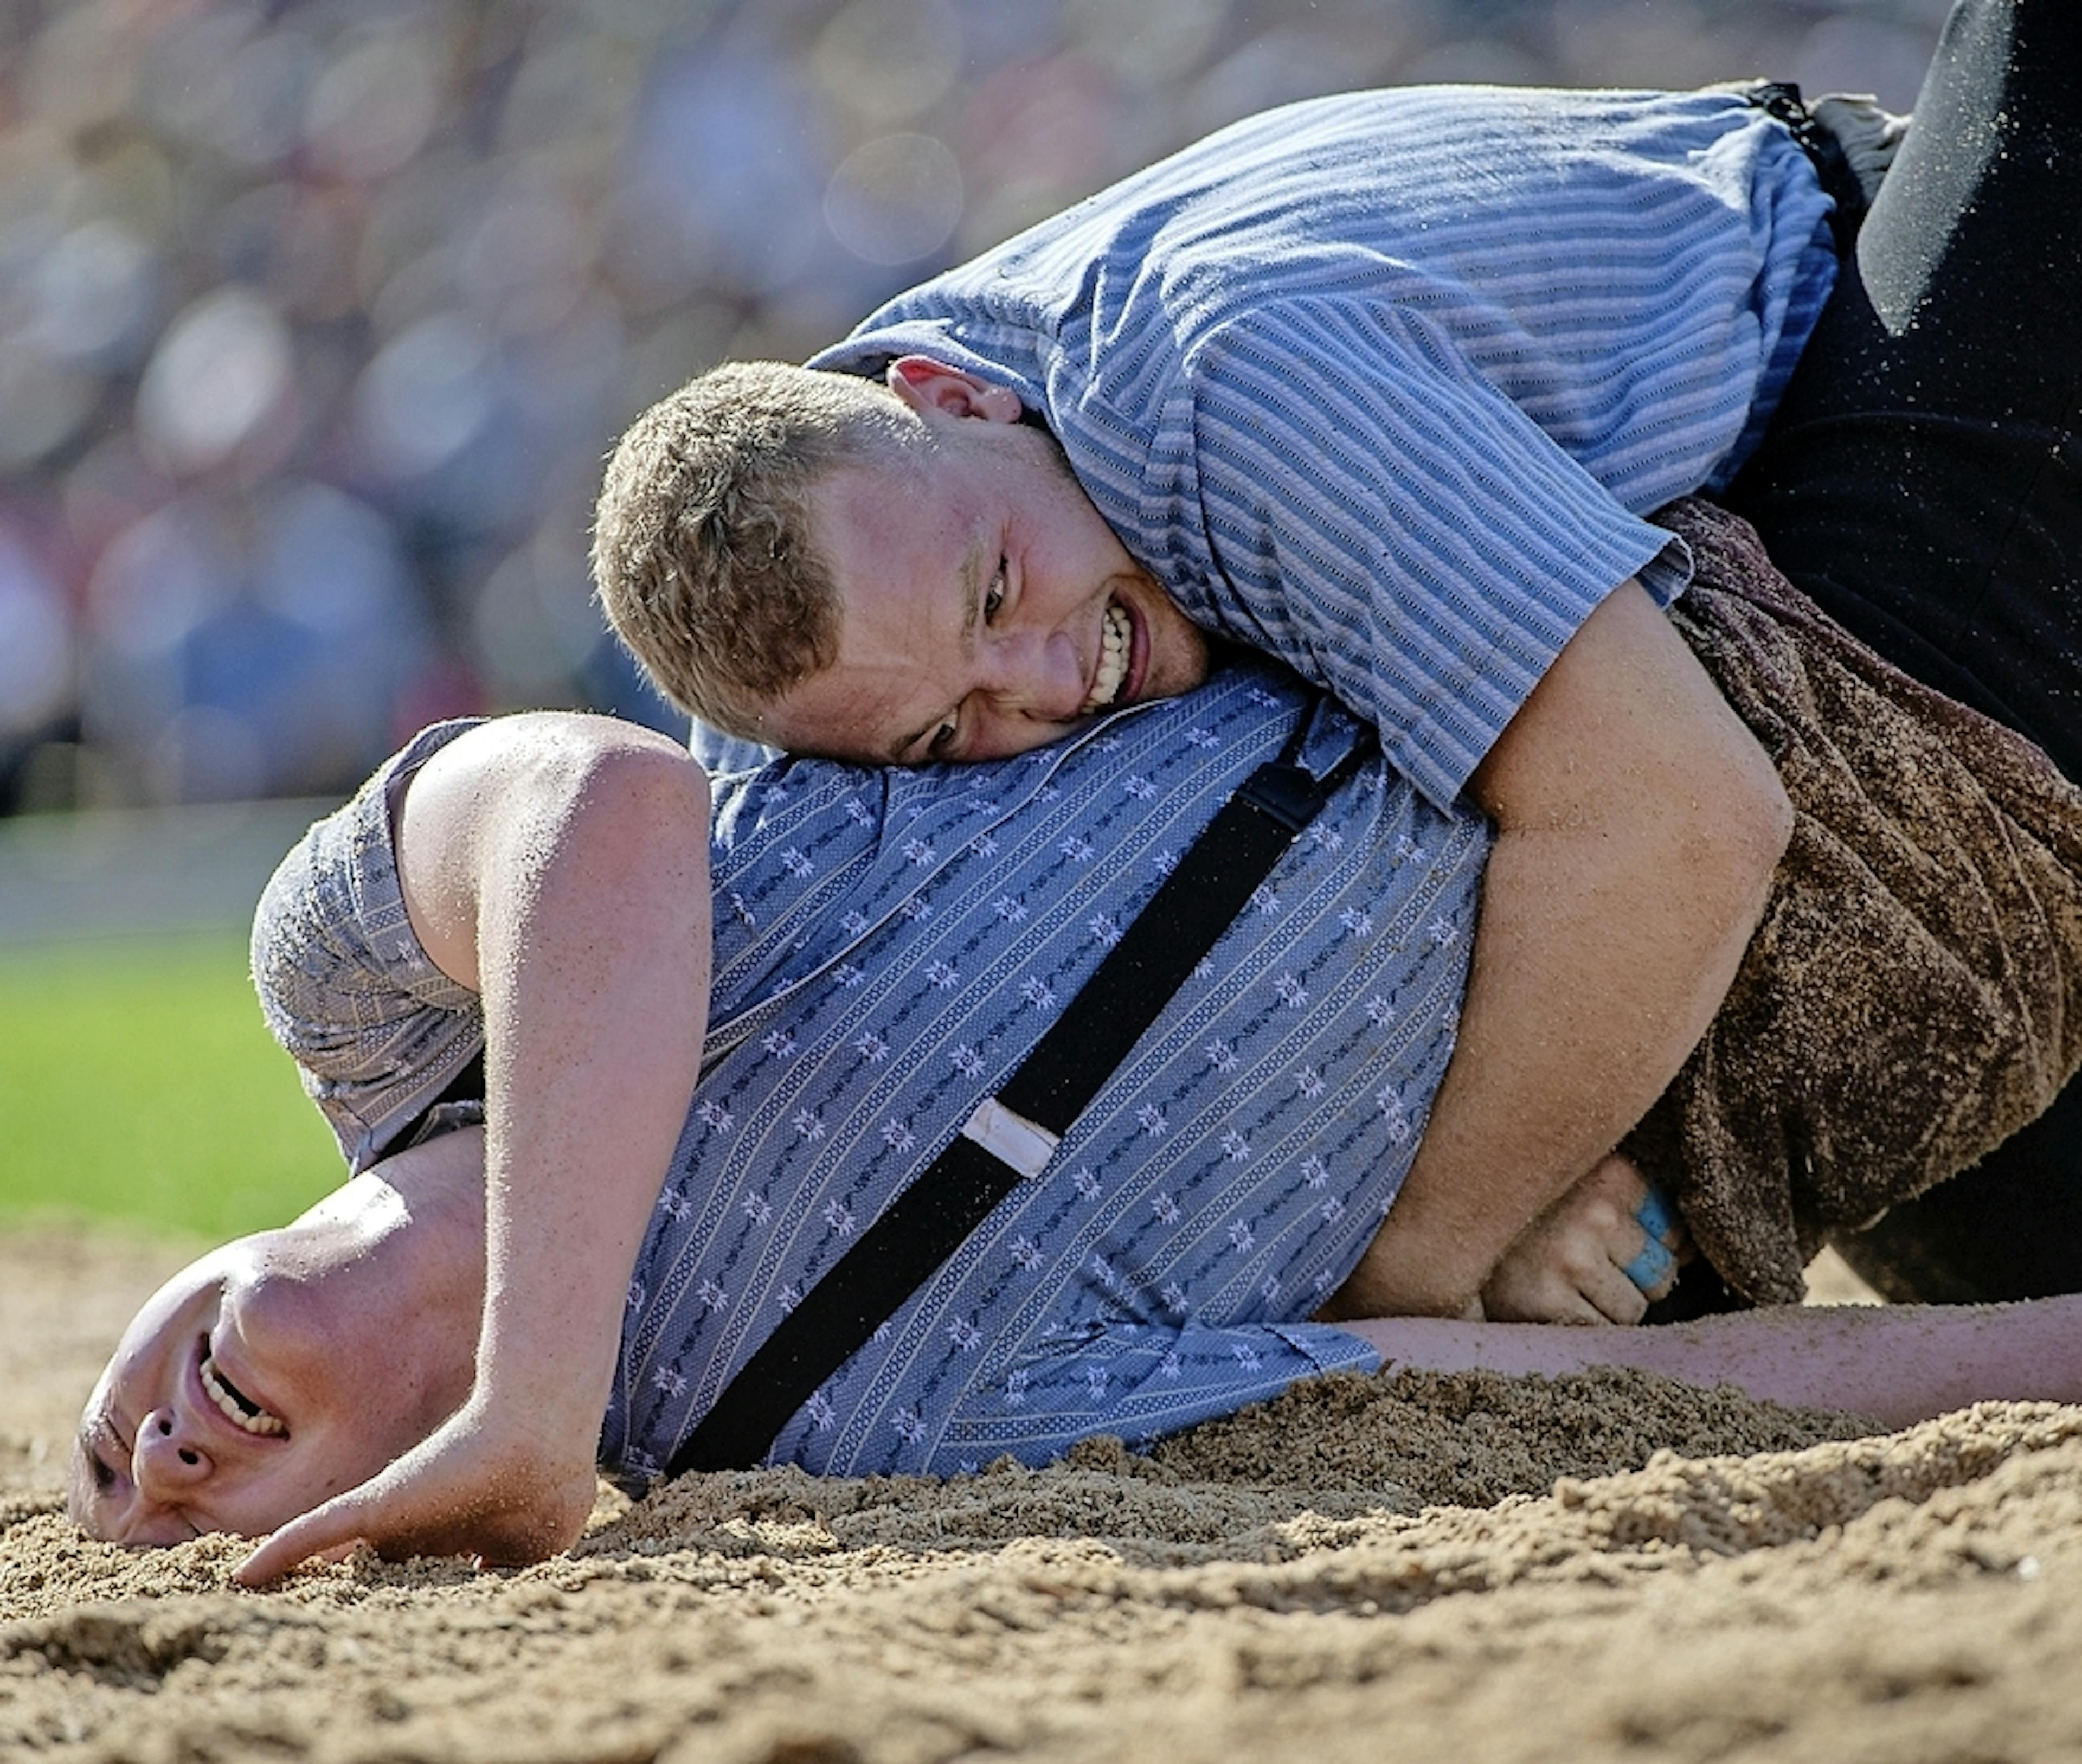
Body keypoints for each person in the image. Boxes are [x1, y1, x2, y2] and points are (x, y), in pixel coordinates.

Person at [591, 0, 2080, 1308]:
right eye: (942, 735)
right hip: (1785, 571)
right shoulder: (862, 608)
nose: (1048, 684)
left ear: (951, 398)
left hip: (1878, 361)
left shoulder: (1218, 382)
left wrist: (1425, 1260)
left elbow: (1678, 819)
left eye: (997, 596)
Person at [69, 640, 2082, 1585]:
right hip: (1888, 968)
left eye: (106, 1455)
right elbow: (1477, 1385)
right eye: (181, 1523)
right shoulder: (847, 1441)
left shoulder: (366, 997)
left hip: (1726, 603)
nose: (152, 1468)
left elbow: (609, 802)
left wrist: (535, 1400)